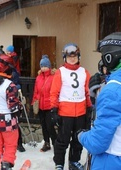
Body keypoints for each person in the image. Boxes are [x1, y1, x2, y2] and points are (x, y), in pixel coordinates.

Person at [78, 32, 121, 170]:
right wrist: (96, 96)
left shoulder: (112, 91)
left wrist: (82, 135)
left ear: (110, 57)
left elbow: (98, 143)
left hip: (111, 160)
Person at [50, 43, 92, 170]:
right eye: (69, 57)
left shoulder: (84, 72)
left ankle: (74, 161)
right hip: (65, 113)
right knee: (62, 140)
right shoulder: (60, 72)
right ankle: (59, 163)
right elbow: (54, 92)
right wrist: (54, 109)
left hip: (80, 112)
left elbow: (88, 91)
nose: (72, 59)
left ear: (79, 57)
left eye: (75, 57)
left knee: (78, 140)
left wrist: (89, 107)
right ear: (65, 58)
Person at [32, 54, 57, 152]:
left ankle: (55, 144)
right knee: (44, 126)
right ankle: (46, 143)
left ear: (49, 66)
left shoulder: (53, 76)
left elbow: (55, 91)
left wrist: (54, 104)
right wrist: (34, 101)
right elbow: (36, 91)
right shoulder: (39, 77)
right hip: (41, 105)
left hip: (49, 105)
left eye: (45, 66)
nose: (43, 68)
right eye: (42, 66)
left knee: (50, 126)